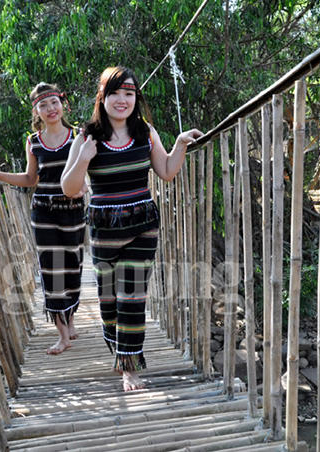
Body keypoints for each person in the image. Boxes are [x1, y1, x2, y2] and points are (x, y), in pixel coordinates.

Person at [61, 66, 203, 391]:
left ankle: (129, 367)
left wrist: (180, 143)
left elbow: (166, 170)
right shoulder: (86, 137)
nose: (122, 100)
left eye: (129, 93)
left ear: (136, 97)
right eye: (115, 93)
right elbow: (69, 188)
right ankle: (118, 349)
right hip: (104, 230)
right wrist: (83, 158)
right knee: (109, 303)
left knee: (132, 298)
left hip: (143, 226)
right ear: (102, 97)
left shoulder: (145, 131)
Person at [0, 83, 86, 355]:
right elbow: (30, 179)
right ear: (36, 111)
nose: (50, 109)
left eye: (54, 102)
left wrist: (85, 186)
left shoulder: (79, 136)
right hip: (44, 211)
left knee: (72, 268)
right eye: (43, 105)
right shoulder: (33, 141)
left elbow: (90, 170)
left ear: (62, 104)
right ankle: (62, 335)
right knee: (51, 270)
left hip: (73, 211)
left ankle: (70, 318)